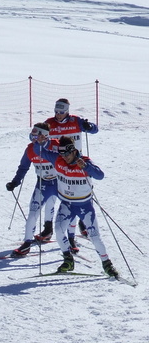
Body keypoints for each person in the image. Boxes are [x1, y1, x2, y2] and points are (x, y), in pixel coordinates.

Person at [33, 135, 119, 277]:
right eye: (62, 153)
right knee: (59, 231)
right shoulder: (58, 159)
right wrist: (39, 142)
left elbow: (100, 175)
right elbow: (39, 151)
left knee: (94, 236)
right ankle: (68, 259)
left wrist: (87, 167)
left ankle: (107, 264)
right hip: (66, 204)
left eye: (67, 153)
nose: (64, 157)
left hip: (84, 205)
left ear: (74, 151)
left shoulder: (84, 162)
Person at [45, 97, 98, 239]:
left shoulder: (76, 121)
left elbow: (95, 129)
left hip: (76, 161)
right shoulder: (49, 123)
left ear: (67, 111)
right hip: (57, 162)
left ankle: (83, 222)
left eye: (61, 111)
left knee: (82, 191)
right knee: (54, 194)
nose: (58, 114)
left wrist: (89, 126)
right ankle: (48, 227)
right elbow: (36, 136)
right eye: (56, 111)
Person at [5, 122, 59, 257]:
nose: (33, 139)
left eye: (36, 136)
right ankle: (26, 244)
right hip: (43, 183)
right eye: (32, 136)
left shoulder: (56, 145)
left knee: (62, 207)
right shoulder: (30, 149)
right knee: (33, 212)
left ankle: (65, 237)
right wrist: (15, 182)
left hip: (60, 183)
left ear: (44, 137)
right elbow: (23, 167)